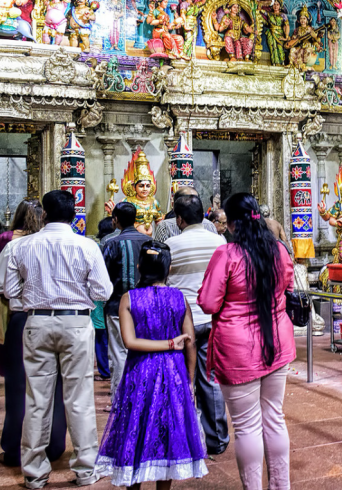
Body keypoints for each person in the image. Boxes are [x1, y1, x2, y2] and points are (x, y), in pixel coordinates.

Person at [4, 190, 112, 489]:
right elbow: (103, 292)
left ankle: (35, 474)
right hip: (76, 322)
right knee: (79, 399)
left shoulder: (21, 247)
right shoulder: (87, 247)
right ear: (74, 216)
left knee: (37, 399)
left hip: (36, 321)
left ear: (44, 215)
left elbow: (10, 291)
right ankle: (85, 470)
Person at [198, 193, 295, 490]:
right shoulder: (278, 250)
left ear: (233, 223)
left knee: (247, 426)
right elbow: (288, 285)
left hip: (238, 349)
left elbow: (208, 302)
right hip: (277, 341)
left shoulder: (227, 255)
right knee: (274, 418)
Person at [97, 240, 208, 488]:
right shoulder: (179, 298)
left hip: (140, 372)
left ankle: (133, 483)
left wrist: (168, 344)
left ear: (139, 267)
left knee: (135, 427)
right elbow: (189, 342)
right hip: (173, 372)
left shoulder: (129, 298)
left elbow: (130, 342)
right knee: (168, 431)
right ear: (168, 270)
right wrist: (189, 380)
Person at [0, 203, 68, 467]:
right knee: (57, 387)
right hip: (67, 318)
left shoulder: (14, 245)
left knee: (19, 388)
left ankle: (15, 449)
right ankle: (54, 445)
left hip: (25, 317)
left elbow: (1, 287)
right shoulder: (77, 244)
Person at [164, 195, 229, 455]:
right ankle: (217, 440)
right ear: (204, 215)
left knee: (180, 378)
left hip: (182, 321)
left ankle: (182, 439)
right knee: (211, 379)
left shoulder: (171, 244)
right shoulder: (219, 241)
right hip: (212, 318)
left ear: (179, 219)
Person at [103, 201, 149, 403]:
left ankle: (120, 401)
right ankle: (143, 397)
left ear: (115, 221)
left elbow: (103, 276)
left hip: (117, 305)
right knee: (143, 351)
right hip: (146, 304)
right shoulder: (148, 242)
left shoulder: (112, 243)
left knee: (119, 354)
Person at [93, 217, 116, 382]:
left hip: (99, 296)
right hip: (115, 294)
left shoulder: (102, 245)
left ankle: (105, 369)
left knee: (101, 335)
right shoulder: (113, 242)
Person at [154, 187, 219, 242]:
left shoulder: (209, 226)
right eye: (187, 201)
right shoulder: (165, 227)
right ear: (174, 206)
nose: (191, 204)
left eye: (194, 200)